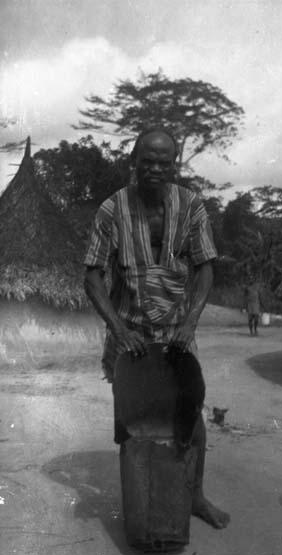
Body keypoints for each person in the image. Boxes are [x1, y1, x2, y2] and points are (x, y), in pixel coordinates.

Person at [83, 127, 230, 529]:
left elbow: (205, 270)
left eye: (164, 162)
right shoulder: (110, 211)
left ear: (174, 165)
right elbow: (92, 277)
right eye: (147, 160)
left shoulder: (193, 207)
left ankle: (195, 496)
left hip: (177, 332)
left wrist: (190, 321)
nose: (155, 168)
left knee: (191, 416)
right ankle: (140, 501)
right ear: (134, 162)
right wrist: (118, 329)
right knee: (132, 420)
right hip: (127, 331)